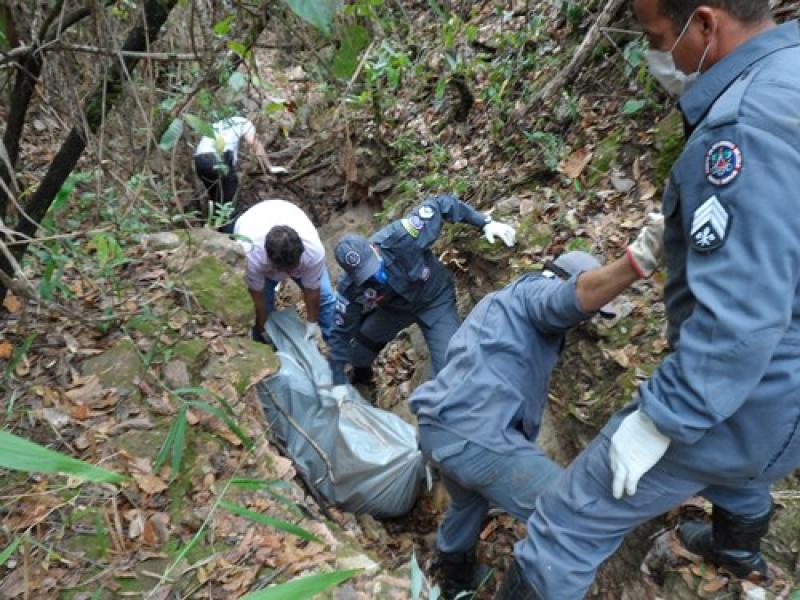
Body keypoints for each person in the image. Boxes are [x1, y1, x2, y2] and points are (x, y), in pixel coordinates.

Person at [497, 3, 800, 599]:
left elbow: (739, 318)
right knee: (737, 466)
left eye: (658, 37)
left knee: (566, 522)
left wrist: (661, 419)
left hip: (753, 391)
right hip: (780, 406)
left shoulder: (739, 132)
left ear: (707, 25)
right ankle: (736, 550)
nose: (655, 54)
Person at [408, 215, 664, 599]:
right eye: (591, 309)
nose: (588, 320)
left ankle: (453, 581)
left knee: (467, 504)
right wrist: (636, 261)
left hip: (438, 428)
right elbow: (564, 302)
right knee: (570, 514)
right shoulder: (537, 294)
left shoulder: (499, 303)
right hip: (474, 436)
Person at [327, 193, 516, 386]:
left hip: (435, 301)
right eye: (365, 275)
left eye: (372, 267)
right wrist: (337, 380)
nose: (374, 276)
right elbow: (340, 333)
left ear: (374, 248)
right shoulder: (349, 288)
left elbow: (442, 204)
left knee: (450, 369)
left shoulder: (402, 236)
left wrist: (485, 223)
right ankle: (363, 380)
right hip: (395, 311)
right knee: (358, 350)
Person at [234, 199, 336, 343]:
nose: (288, 276)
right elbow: (258, 299)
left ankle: (338, 348)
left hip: (288, 217)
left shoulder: (313, 251)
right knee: (265, 309)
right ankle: (266, 349)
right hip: (252, 229)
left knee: (325, 299)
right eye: (284, 271)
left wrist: (312, 322)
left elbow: (313, 290)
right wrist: (263, 329)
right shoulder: (251, 254)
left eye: (292, 270)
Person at [193, 115, 270, 232]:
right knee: (229, 205)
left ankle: (213, 233)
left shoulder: (219, 124)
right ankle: (229, 239)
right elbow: (253, 142)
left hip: (200, 161)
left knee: (217, 201)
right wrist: (269, 167)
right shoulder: (245, 122)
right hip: (219, 159)